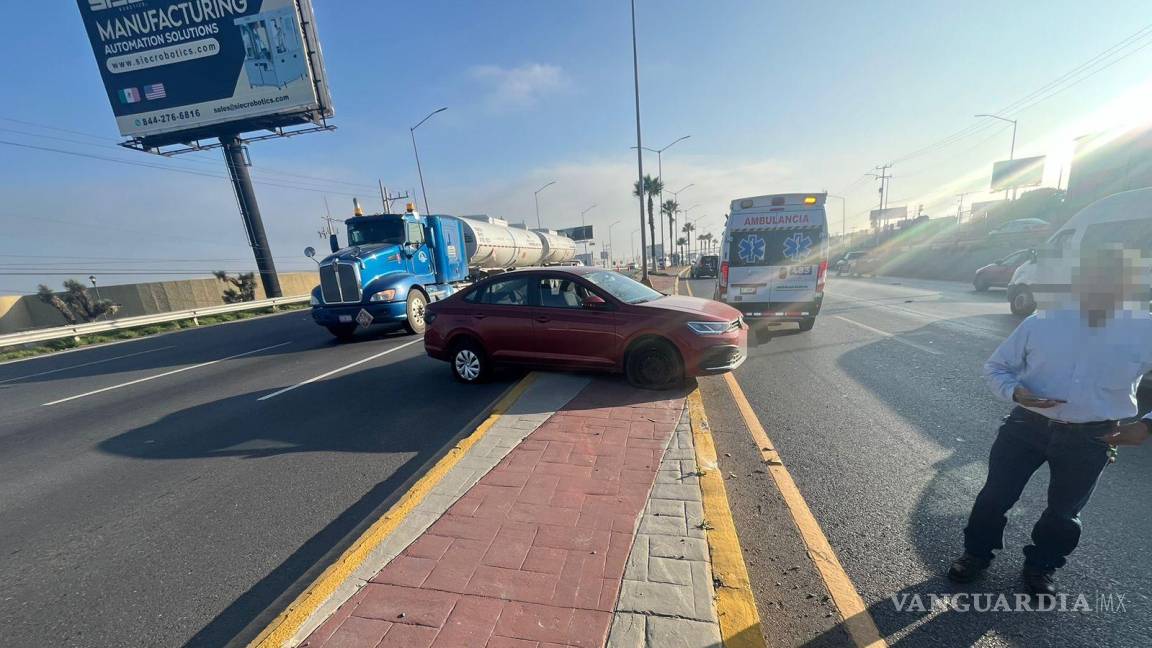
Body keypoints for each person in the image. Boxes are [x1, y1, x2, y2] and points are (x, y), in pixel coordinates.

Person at [948, 246, 1152, 595]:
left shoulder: (1143, 329)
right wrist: (1016, 392)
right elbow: (996, 367)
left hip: (1092, 438)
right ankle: (976, 555)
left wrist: (1147, 425)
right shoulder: (1043, 322)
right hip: (1026, 427)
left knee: (1063, 513)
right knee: (995, 496)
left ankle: (1041, 567)